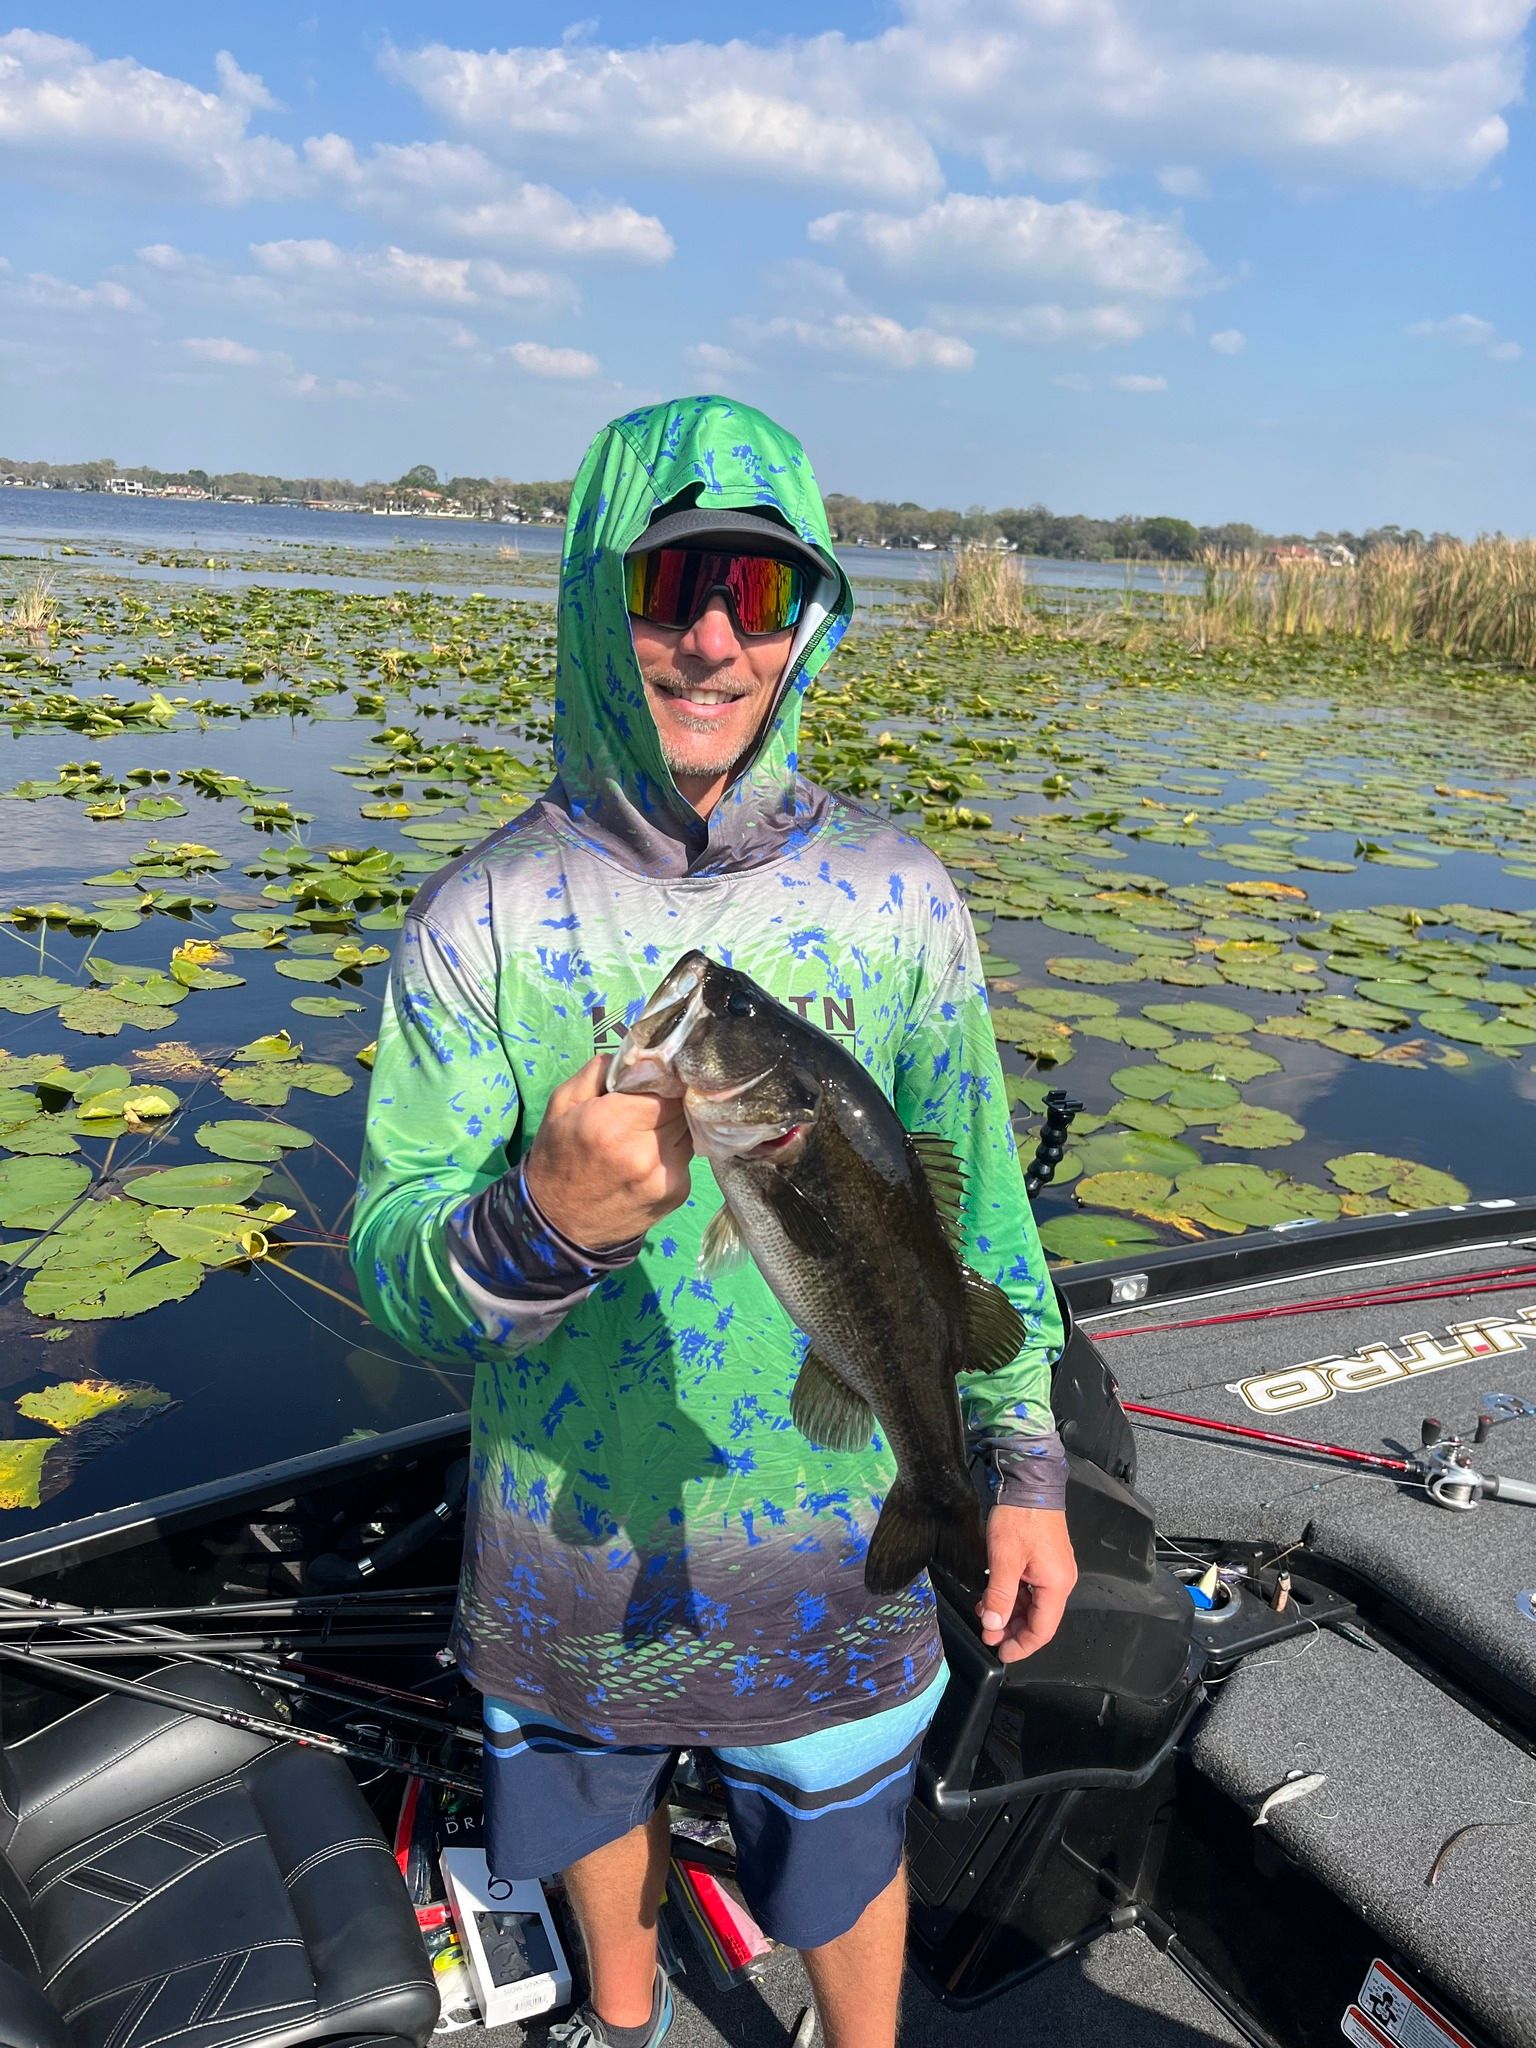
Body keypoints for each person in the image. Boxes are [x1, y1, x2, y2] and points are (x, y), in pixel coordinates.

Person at [350, 395, 1076, 2048]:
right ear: (595, 598)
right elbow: (396, 1262)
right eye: (668, 581)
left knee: (841, 1843)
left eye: (756, 592)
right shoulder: (477, 916)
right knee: (594, 1815)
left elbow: (986, 1227)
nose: (706, 639)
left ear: (805, 620)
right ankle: (624, 2022)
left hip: (845, 1546)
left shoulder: (900, 900)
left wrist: (1016, 1462)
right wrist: (538, 1217)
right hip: (564, 1554)